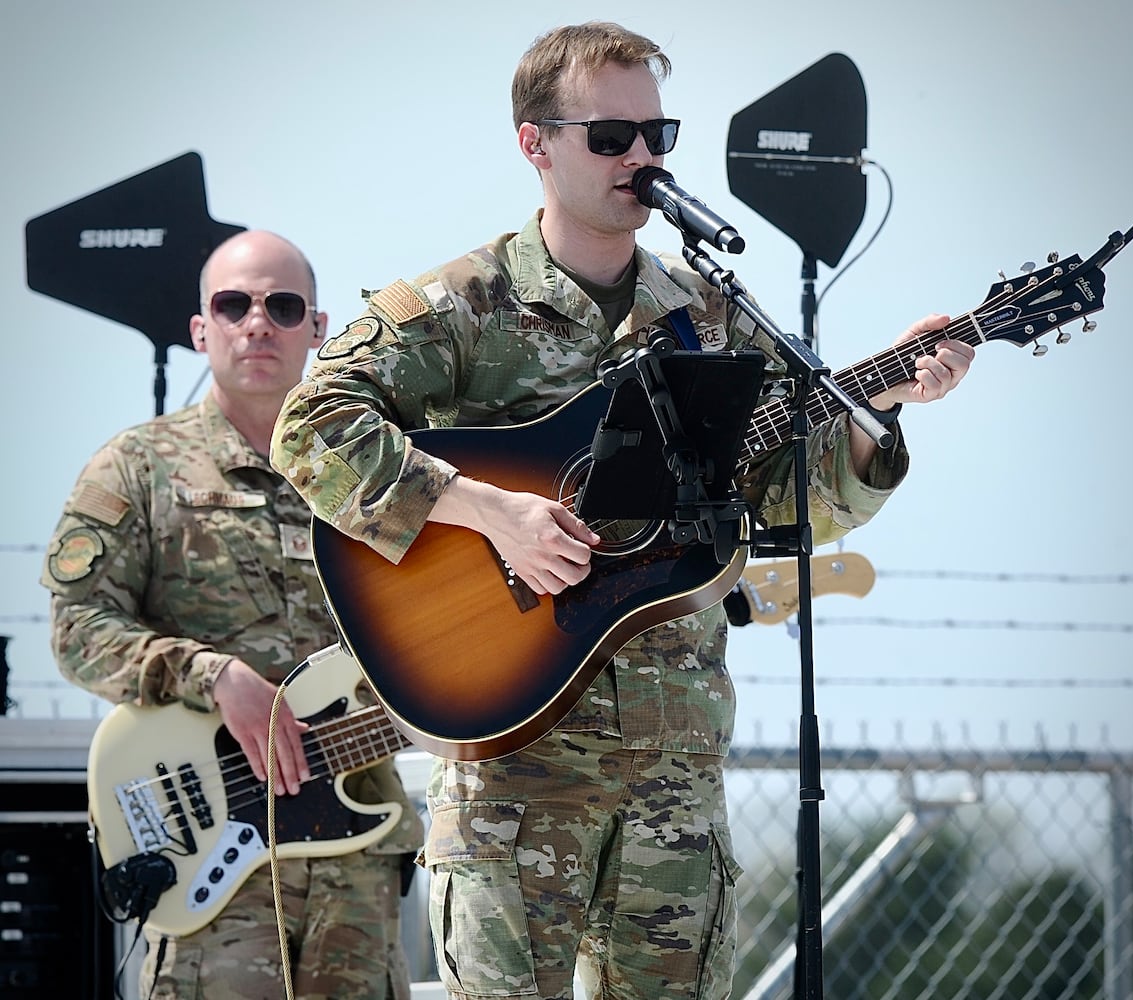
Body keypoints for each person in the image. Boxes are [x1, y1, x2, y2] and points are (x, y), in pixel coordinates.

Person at [270, 21, 975, 1000]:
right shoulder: (458, 306)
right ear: (535, 144)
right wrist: (486, 511)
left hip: (670, 770)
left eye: (657, 135)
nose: (641, 158)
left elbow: (778, 506)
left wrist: (877, 413)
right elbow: (308, 427)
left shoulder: (712, 317)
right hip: (512, 762)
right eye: (611, 137)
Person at [41, 230, 423, 1000]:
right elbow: (77, 626)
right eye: (234, 304)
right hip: (214, 875)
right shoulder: (137, 467)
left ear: (317, 330)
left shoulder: (382, 471)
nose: (258, 324)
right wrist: (209, 675)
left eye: (283, 307)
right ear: (200, 329)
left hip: (358, 865)